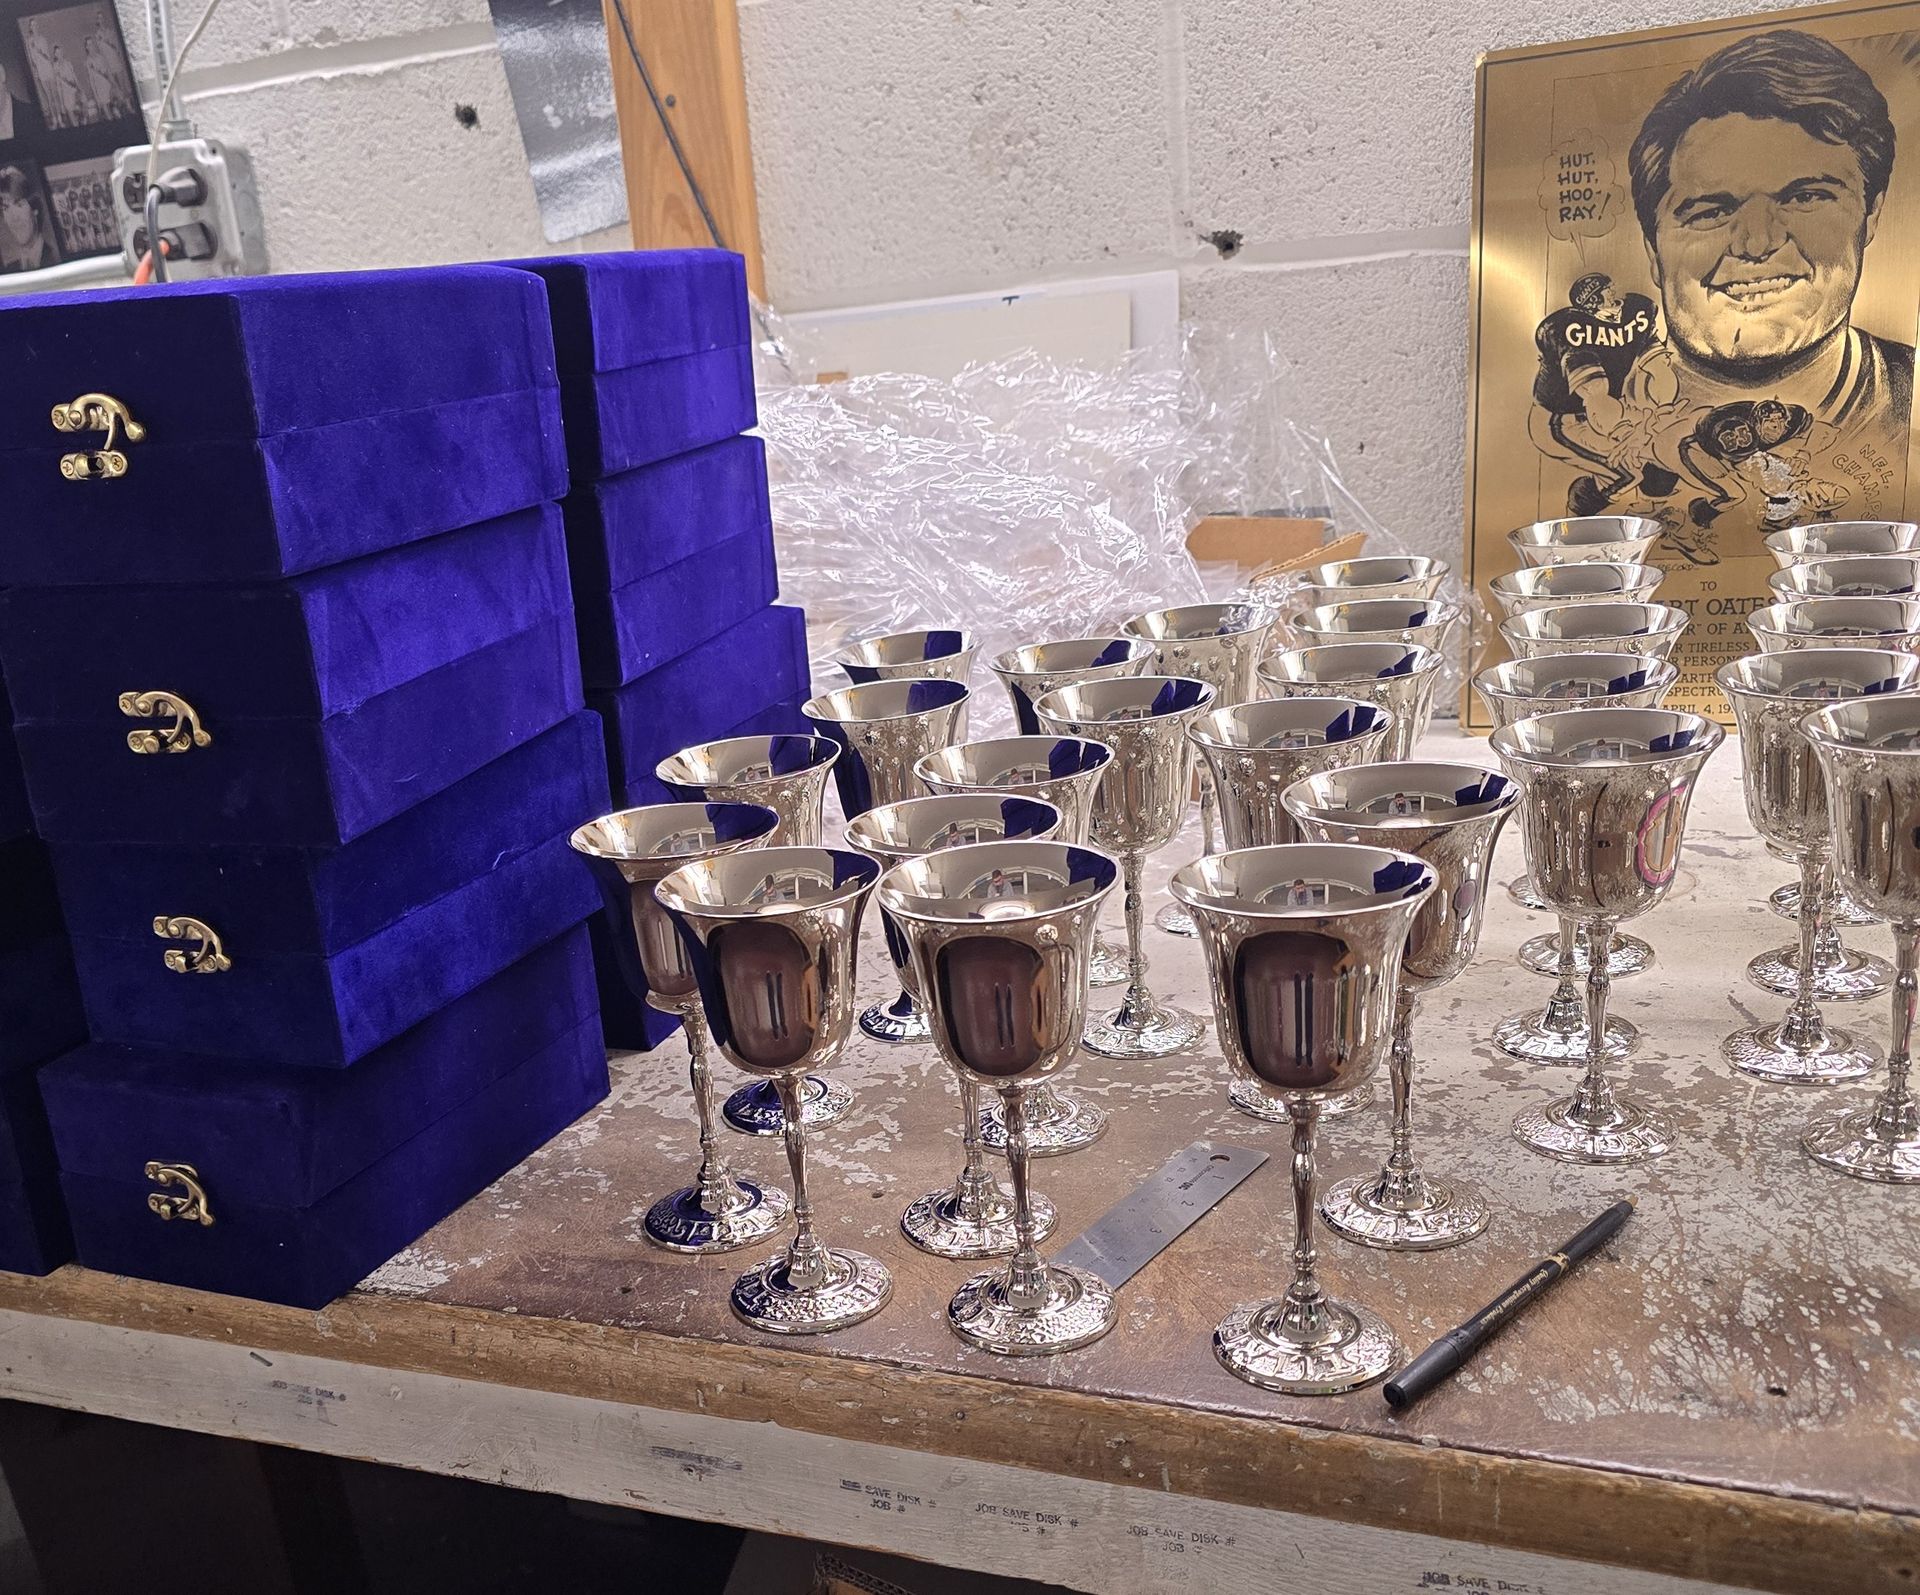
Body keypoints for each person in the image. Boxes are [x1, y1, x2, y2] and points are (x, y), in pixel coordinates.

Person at [1628, 28, 1911, 443]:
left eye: (1804, 197)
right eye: (1713, 211)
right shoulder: (1588, 410)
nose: (1757, 244)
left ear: (1871, 216)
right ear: (1652, 247)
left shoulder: (1910, 393)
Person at [0, 165, 59, 272]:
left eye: (19, 205)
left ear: (35, 210)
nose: (13, 218)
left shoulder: (55, 259)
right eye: (6, 208)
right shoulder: (10, 269)